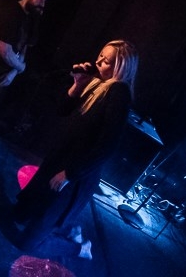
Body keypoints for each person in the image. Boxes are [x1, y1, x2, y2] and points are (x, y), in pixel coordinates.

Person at [11, 39, 138, 262]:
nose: (98, 61)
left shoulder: (119, 93)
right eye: (100, 55)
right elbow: (62, 109)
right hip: (58, 160)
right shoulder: (97, 84)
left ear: (120, 67)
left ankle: (79, 248)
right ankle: (69, 229)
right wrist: (78, 84)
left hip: (76, 174)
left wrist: (70, 174)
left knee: (26, 242)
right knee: (19, 214)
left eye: (106, 61)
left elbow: (107, 146)